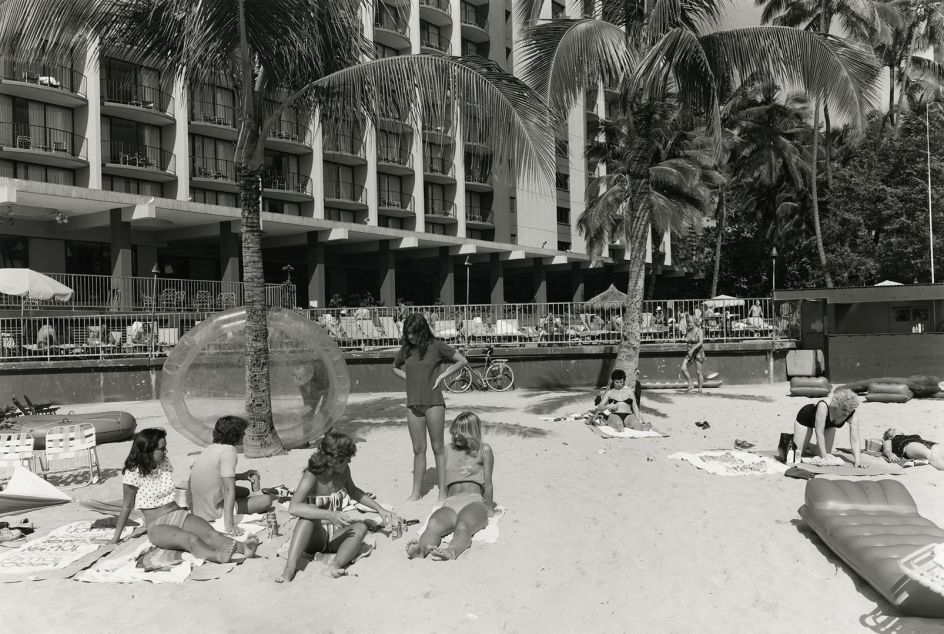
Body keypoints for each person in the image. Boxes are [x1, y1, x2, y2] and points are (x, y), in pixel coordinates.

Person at [111, 428, 260, 563]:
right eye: (162, 449)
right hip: (157, 525)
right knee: (192, 539)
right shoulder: (133, 472)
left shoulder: (164, 463)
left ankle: (244, 548)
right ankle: (219, 557)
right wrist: (115, 538)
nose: (165, 452)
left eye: (165, 448)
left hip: (178, 514)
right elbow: (127, 506)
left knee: (210, 534)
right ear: (148, 450)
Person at [278, 432, 404, 581]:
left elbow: (354, 492)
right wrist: (329, 515)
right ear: (334, 460)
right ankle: (289, 569)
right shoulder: (311, 476)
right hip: (314, 536)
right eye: (347, 458)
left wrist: (380, 509)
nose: (349, 461)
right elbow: (294, 507)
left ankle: (334, 567)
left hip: (336, 535)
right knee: (306, 519)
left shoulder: (343, 472)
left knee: (361, 527)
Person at [392, 313, 468, 501]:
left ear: (422, 330)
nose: (410, 336)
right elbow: (394, 367)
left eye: (414, 332)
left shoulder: (437, 346)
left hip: (434, 402)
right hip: (413, 404)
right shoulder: (406, 350)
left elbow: (462, 360)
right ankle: (416, 493)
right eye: (408, 332)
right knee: (418, 449)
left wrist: (442, 376)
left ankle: (442, 493)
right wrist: (409, 379)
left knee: (438, 448)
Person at [406, 412, 495, 561]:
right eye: (453, 433)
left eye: (459, 434)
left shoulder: (484, 450)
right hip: (451, 502)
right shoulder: (448, 449)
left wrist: (490, 509)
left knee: (463, 525)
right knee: (433, 524)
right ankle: (421, 550)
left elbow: (488, 482)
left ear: (470, 433)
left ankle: (452, 551)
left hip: (473, 501)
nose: (455, 437)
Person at [188, 416, 274, 535]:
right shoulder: (229, 451)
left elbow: (216, 476)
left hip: (199, 506)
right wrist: (229, 525)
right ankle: (228, 514)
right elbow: (228, 490)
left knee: (244, 492)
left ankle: (234, 506)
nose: (244, 434)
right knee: (267, 500)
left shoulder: (210, 448)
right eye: (242, 432)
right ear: (235, 434)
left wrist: (242, 476)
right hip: (212, 512)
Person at [791, 389, 863, 467]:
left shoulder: (852, 414)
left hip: (828, 426)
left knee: (825, 452)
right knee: (797, 454)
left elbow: (855, 439)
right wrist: (825, 458)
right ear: (836, 405)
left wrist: (858, 462)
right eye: (844, 409)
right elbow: (819, 432)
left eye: (849, 410)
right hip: (806, 419)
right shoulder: (824, 406)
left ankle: (808, 444)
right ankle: (803, 442)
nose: (847, 413)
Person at [680, 316, 705, 392]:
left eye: (690, 322)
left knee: (698, 371)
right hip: (690, 352)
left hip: (698, 352)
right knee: (683, 368)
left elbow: (701, 342)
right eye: (688, 322)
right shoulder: (688, 330)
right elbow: (688, 339)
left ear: (694, 323)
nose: (689, 323)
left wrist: (693, 349)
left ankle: (700, 388)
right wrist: (686, 340)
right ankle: (690, 383)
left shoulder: (699, 331)